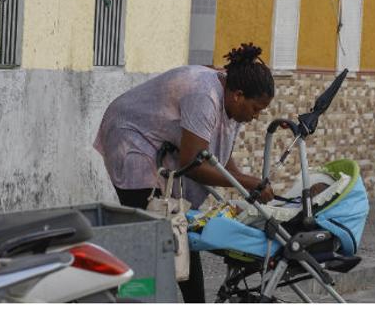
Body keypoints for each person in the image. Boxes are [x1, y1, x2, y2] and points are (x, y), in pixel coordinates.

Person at [93, 43, 275, 303]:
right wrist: (246, 182)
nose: (256, 116)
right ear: (238, 95)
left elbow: (218, 158)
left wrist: (245, 184)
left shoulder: (228, 101)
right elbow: (195, 164)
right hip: (130, 140)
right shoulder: (205, 95)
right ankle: (130, 299)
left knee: (180, 230)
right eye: (256, 108)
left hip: (157, 145)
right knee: (151, 231)